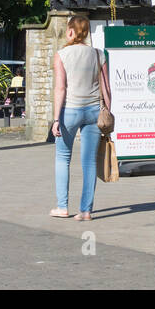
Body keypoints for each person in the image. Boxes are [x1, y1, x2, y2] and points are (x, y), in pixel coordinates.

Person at [50, 16, 110, 221]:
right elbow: (106, 87)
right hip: (93, 111)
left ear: (70, 31)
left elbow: (60, 88)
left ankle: (62, 206)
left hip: (70, 111)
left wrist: (56, 119)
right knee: (89, 161)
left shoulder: (62, 55)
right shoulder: (98, 54)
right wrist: (108, 112)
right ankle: (86, 211)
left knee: (63, 157)